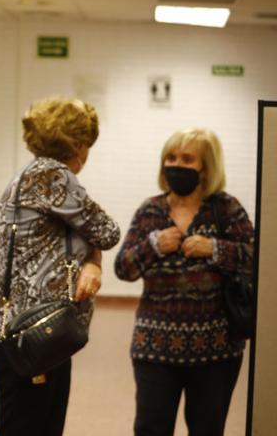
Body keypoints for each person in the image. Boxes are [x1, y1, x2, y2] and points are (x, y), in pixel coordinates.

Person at [0, 97, 121, 436]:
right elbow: (107, 231)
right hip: (35, 335)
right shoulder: (54, 176)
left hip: (21, 331)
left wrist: (92, 259)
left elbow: (85, 235)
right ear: (77, 144)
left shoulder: (26, 175)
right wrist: (94, 257)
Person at [114, 128, 254, 436]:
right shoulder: (150, 210)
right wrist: (152, 246)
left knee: (207, 429)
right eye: (171, 157)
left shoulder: (226, 209)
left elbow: (257, 259)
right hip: (154, 347)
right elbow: (122, 268)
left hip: (216, 350)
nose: (176, 164)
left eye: (188, 158)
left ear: (207, 166)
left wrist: (215, 249)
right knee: (150, 428)